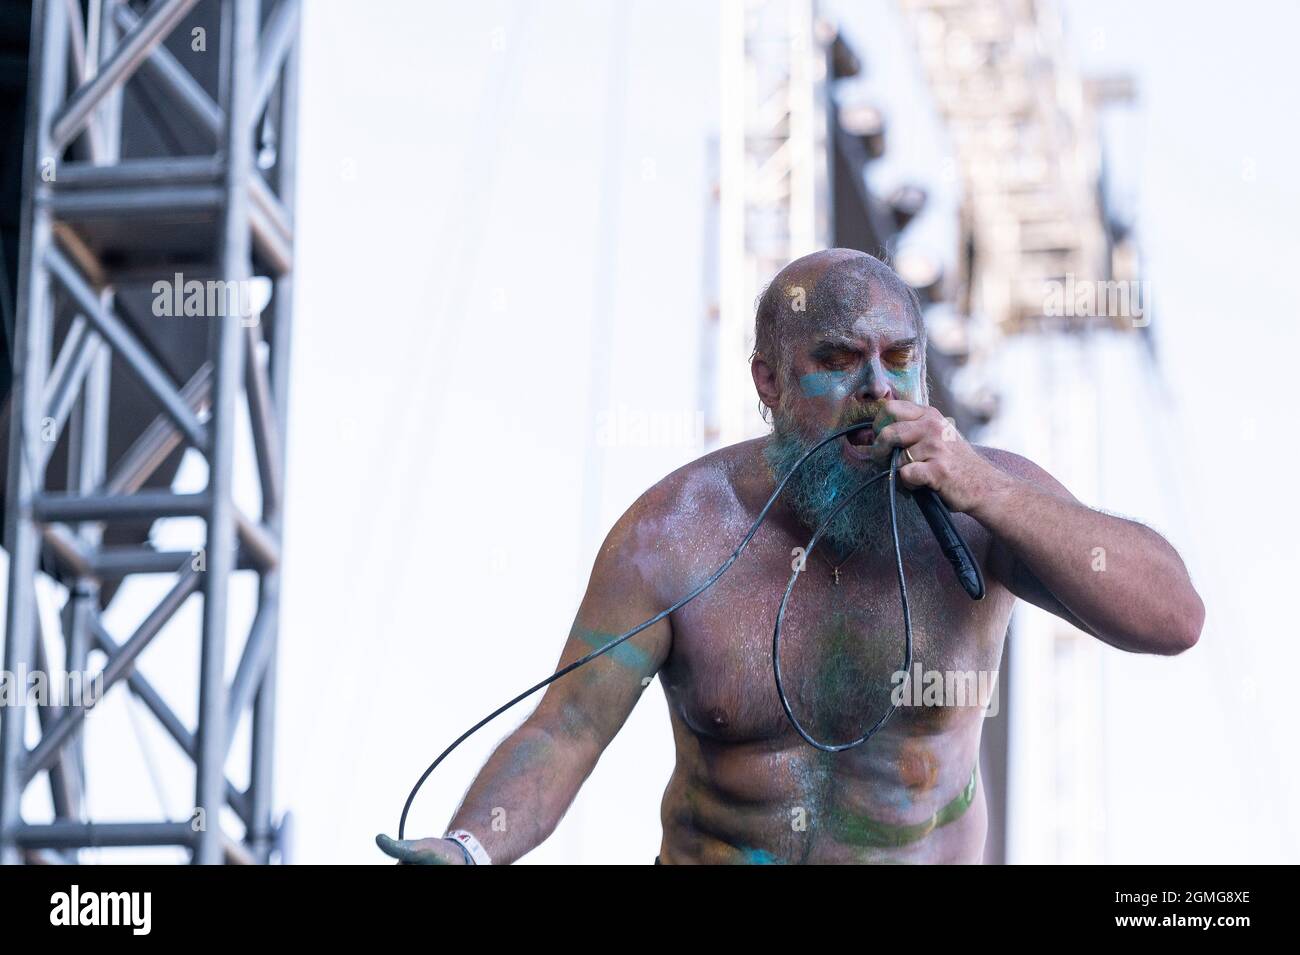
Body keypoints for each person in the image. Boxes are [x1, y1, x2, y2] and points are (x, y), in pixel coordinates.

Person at [377, 248, 1204, 864]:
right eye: (840, 361)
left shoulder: (989, 503)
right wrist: (467, 849)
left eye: (901, 359)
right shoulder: (674, 532)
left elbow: (1173, 616)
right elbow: (566, 729)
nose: (878, 389)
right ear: (768, 382)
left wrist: (991, 493)